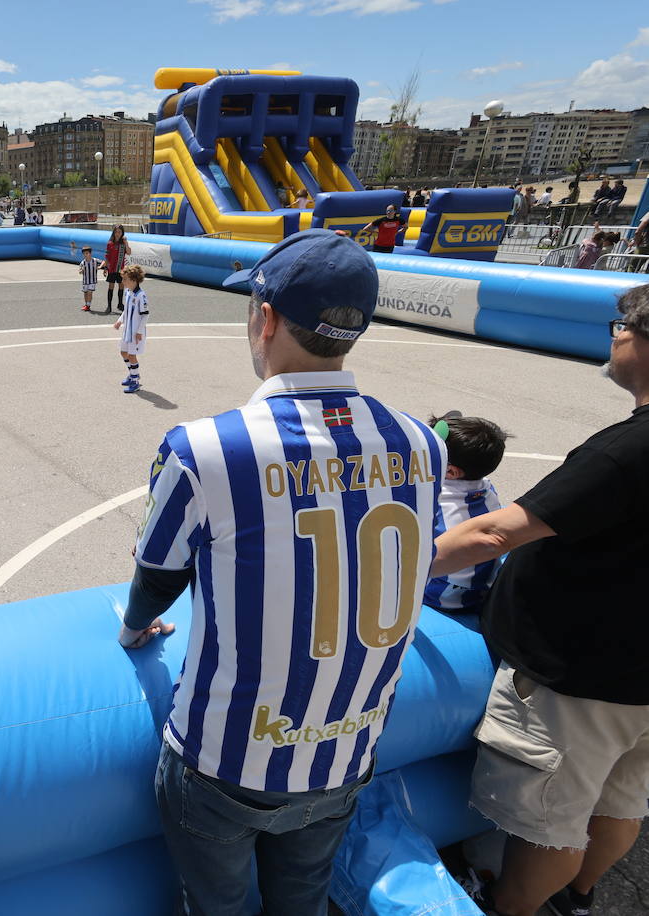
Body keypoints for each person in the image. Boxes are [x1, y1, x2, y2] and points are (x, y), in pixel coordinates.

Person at [121, 229, 444, 916]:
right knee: (302, 901)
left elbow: (158, 573)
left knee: (218, 905)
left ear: (264, 318)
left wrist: (132, 628)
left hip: (222, 765)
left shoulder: (204, 449)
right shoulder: (422, 441)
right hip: (344, 756)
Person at [432, 284, 649, 916]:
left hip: (579, 679)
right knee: (620, 802)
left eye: (622, 327)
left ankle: (511, 906)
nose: (615, 336)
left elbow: (497, 531)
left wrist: (388, 567)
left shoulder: (627, 450)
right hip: (637, 679)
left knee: (547, 825)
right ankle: (579, 898)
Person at [422, 412, 507, 613]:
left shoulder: (436, 500)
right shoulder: (485, 487)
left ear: (450, 472)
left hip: (440, 594)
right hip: (479, 589)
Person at [112, 265, 149, 393]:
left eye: (125, 279)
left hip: (135, 332)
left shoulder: (141, 296)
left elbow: (145, 315)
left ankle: (135, 381)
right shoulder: (128, 292)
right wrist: (119, 321)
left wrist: (139, 332)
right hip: (127, 330)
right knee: (123, 352)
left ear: (134, 280)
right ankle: (133, 373)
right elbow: (126, 310)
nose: (123, 282)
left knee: (132, 355)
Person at [104, 225, 131, 313]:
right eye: (116, 232)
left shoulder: (123, 243)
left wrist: (126, 242)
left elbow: (129, 252)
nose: (117, 234)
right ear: (113, 232)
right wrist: (106, 268)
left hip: (121, 269)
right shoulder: (110, 243)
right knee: (111, 286)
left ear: (122, 233)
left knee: (121, 286)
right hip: (112, 269)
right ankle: (109, 306)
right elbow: (107, 257)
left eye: (119, 232)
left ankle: (120, 304)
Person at [78, 244, 100, 312]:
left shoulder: (95, 260)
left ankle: (88, 305)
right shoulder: (82, 262)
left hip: (92, 280)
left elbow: (104, 262)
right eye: (84, 253)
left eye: (87, 253)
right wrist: (81, 270)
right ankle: (86, 304)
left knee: (90, 292)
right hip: (85, 281)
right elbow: (80, 271)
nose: (85, 255)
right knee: (85, 293)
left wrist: (101, 267)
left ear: (90, 253)